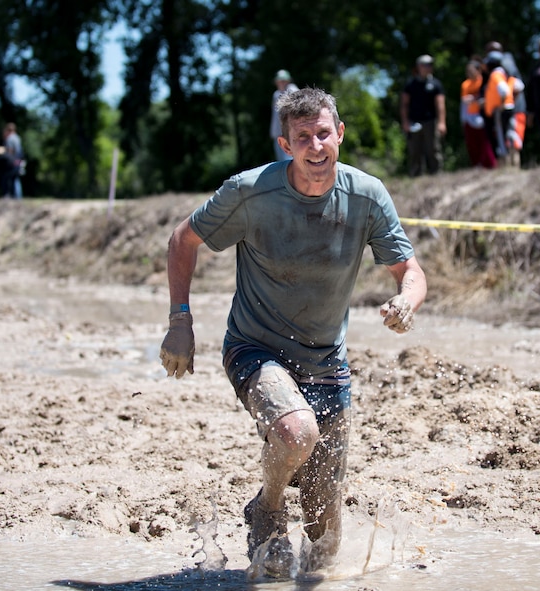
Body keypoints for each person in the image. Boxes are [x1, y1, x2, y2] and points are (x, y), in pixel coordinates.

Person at [159, 87, 427, 578]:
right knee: (295, 430)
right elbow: (183, 239)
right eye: (302, 137)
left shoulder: (366, 195)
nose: (315, 146)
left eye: (323, 133)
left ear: (339, 135)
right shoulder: (249, 192)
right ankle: (268, 506)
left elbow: (410, 271)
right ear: (286, 144)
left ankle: (292, 525)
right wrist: (181, 321)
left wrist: (406, 301)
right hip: (254, 348)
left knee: (324, 547)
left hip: (326, 362)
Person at [400, 54, 446, 176]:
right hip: (414, 121)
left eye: (430, 64)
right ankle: (416, 174)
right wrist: (405, 121)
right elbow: (404, 104)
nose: (429, 67)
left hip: (431, 121)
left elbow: (440, 105)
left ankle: (436, 173)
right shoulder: (410, 84)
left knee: (433, 148)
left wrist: (442, 122)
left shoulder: (436, 84)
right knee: (415, 150)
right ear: (419, 66)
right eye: (426, 64)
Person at [460, 59, 496, 169]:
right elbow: (464, 99)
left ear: (478, 70)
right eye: (467, 71)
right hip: (470, 115)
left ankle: (490, 164)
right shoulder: (465, 84)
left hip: (483, 115)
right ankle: (477, 164)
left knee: (485, 141)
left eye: (471, 70)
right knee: (472, 143)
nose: (469, 73)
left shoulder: (483, 81)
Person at [270, 69, 300, 161]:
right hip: (278, 134)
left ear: (288, 81)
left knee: (290, 161)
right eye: (279, 81)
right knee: (281, 163)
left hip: (290, 134)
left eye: (283, 81)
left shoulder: (293, 91)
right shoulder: (276, 94)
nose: (280, 83)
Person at [1, 123, 24, 198]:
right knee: (16, 178)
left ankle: (10, 196)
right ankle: (18, 197)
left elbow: (10, 151)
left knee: (9, 178)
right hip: (19, 160)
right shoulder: (17, 137)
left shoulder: (10, 138)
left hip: (12, 161)